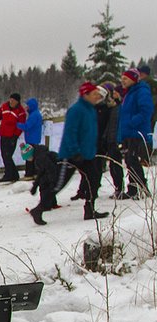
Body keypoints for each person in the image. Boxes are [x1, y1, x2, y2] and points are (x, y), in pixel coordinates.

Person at [54, 82, 109, 221]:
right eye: (95, 94)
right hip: (73, 154)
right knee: (59, 184)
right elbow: (70, 132)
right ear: (86, 95)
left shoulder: (91, 109)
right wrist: (75, 151)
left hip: (88, 153)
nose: (97, 96)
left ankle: (89, 210)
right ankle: (40, 208)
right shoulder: (76, 110)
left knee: (94, 180)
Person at [117, 68, 154, 198]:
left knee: (132, 160)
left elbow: (146, 110)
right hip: (129, 132)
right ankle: (133, 189)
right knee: (129, 161)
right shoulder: (129, 93)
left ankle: (142, 186)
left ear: (133, 79)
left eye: (126, 78)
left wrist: (133, 122)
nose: (123, 81)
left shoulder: (141, 91)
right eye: (122, 78)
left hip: (137, 132)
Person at [0, 93, 27, 183]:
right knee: (4, 155)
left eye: (13, 100)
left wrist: (15, 136)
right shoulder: (4, 106)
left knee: (8, 155)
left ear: (17, 101)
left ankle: (9, 174)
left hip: (12, 136)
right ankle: (13, 174)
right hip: (3, 134)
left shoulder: (21, 111)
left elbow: (21, 125)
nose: (11, 101)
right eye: (10, 99)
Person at [28, 144, 61, 225]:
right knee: (45, 185)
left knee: (46, 186)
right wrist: (35, 186)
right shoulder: (40, 156)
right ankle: (49, 204)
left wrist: (53, 181)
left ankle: (47, 205)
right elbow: (41, 172)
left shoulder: (40, 158)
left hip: (55, 172)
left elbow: (50, 169)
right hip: (52, 172)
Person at [16, 98, 44, 183]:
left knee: (29, 157)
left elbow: (27, 126)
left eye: (27, 106)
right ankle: (35, 173)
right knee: (33, 157)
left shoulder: (34, 115)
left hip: (32, 139)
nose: (26, 107)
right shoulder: (36, 114)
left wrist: (16, 124)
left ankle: (29, 174)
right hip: (34, 138)